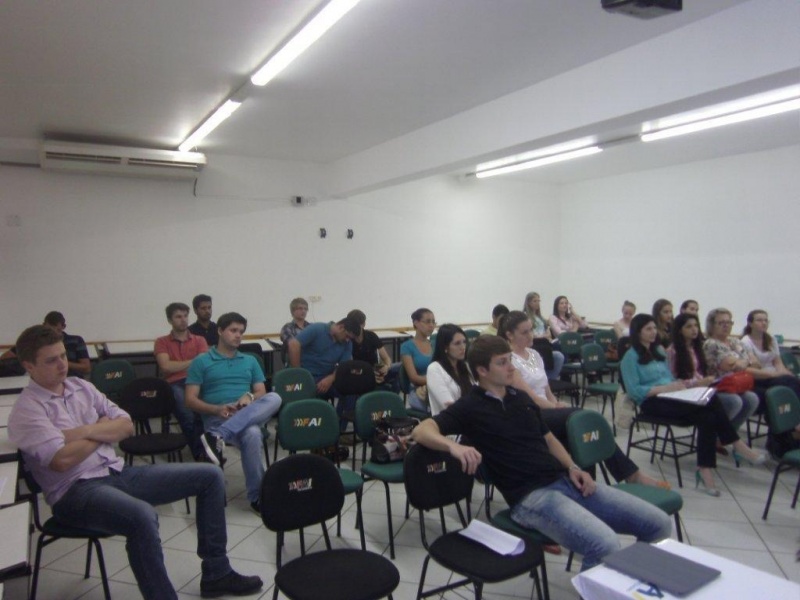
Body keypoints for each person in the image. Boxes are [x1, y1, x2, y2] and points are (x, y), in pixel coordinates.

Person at [8, 325, 263, 599]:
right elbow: (62, 459)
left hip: (116, 472)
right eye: (51, 360)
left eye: (62, 356)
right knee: (142, 516)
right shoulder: (27, 410)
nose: (62, 365)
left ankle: (216, 573)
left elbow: (126, 425)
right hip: (74, 492)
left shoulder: (81, 386)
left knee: (210, 477)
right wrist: (102, 430)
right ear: (29, 366)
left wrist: (84, 432)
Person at [412, 335, 672, 571]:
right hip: (532, 498)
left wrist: (573, 468)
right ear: (482, 370)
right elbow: (422, 430)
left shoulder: (520, 399)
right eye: (502, 363)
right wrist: (454, 446)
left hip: (566, 481)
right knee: (605, 545)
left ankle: (635, 581)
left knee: (658, 523)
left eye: (510, 360)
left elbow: (548, 438)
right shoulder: (470, 406)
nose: (511, 368)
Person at [500, 311, 668, 489]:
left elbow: (546, 390)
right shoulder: (509, 361)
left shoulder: (534, 354)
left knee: (583, 429)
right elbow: (531, 398)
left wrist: (556, 403)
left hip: (548, 408)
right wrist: (556, 408)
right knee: (583, 417)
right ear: (510, 335)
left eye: (531, 330)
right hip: (530, 412)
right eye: (524, 332)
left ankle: (598, 480)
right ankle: (631, 474)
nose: (531, 335)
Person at [621, 314, 764, 497]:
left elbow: (668, 377)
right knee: (711, 401)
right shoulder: (630, 357)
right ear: (637, 332)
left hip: (671, 395)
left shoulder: (658, 352)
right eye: (648, 329)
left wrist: (678, 385)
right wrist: (664, 388)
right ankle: (737, 445)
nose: (653, 332)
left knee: (707, 414)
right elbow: (634, 391)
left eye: (654, 328)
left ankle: (704, 469)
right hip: (651, 402)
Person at [186, 312, 282, 514]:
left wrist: (249, 396)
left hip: (245, 411)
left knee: (275, 397)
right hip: (217, 416)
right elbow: (190, 400)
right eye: (233, 330)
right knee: (253, 433)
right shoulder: (201, 361)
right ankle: (257, 496)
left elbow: (261, 392)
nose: (238, 335)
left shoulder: (250, 360)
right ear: (220, 331)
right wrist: (216, 409)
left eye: (241, 332)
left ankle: (217, 437)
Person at [668, 312, 758, 433]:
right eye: (689, 326)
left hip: (706, 386)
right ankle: (720, 436)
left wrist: (706, 381)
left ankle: (728, 434)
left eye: (696, 325)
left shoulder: (697, 347)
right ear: (679, 330)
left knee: (751, 398)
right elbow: (672, 379)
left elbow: (755, 363)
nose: (694, 329)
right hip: (688, 391)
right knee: (733, 401)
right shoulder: (673, 351)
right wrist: (697, 383)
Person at [154, 302, 209, 461]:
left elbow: (203, 365)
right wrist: (194, 361)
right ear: (169, 320)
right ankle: (200, 454)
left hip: (198, 381)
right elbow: (166, 367)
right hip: (175, 383)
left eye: (185, 316)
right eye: (178, 317)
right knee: (187, 414)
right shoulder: (161, 342)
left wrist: (179, 365)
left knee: (207, 412)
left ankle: (210, 449)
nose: (183, 320)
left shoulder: (199, 340)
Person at [287, 316, 361, 428]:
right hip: (306, 376)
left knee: (351, 390)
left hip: (327, 377)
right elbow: (293, 344)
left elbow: (344, 365)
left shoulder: (347, 343)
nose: (347, 340)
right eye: (347, 336)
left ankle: (337, 429)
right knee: (308, 397)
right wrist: (299, 374)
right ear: (341, 327)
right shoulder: (317, 329)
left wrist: (331, 378)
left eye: (350, 339)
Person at [426, 324, 472, 415]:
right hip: (449, 420)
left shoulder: (466, 366)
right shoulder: (434, 369)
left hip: (470, 417)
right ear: (445, 347)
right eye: (457, 343)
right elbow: (448, 406)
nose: (463, 347)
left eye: (464, 342)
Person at [347, 309, 395, 388]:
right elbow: (349, 368)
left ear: (363, 324)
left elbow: (386, 358)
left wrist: (386, 367)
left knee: (398, 368)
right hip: (358, 374)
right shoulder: (347, 340)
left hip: (375, 371)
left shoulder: (371, 336)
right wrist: (369, 374)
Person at [400, 308, 436, 413]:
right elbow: (414, 378)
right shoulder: (407, 346)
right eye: (428, 322)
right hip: (417, 392)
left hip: (435, 388)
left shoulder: (434, 344)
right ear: (416, 323)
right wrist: (436, 380)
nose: (431, 325)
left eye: (433, 322)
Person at [523, 292, 564, 379]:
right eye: (535, 301)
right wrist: (543, 336)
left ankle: (550, 379)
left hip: (545, 343)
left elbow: (547, 331)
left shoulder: (540, 317)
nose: (537, 303)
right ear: (529, 303)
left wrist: (547, 335)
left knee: (559, 355)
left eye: (538, 301)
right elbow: (528, 334)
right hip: (534, 344)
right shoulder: (525, 317)